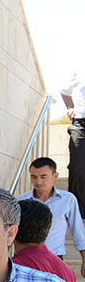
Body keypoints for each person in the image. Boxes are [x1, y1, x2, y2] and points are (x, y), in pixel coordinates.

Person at [16, 156, 85, 276]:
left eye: (43, 177)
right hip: (26, 260)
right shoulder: (21, 201)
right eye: (34, 177)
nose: (38, 182)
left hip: (55, 259)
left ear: (55, 175)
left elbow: (77, 230)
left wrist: (84, 259)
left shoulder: (67, 199)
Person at [61, 72, 85, 216]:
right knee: (77, 167)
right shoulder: (80, 72)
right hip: (81, 123)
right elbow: (65, 92)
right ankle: (78, 213)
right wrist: (70, 107)